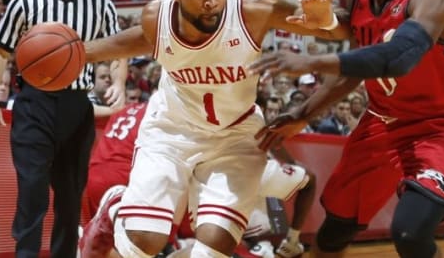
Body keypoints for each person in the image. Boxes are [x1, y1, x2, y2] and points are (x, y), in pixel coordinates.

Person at [80, 0, 346, 258]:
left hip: (234, 135)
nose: (212, 1)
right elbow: (131, 42)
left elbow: (345, 31)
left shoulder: (254, 11)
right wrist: (79, 53)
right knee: (144, 243)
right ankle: (113, 210)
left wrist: (326, 21)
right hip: (172, 130)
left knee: (214, 247)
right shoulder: (157, 16)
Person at [248, 0, 444, 258]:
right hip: (382, 124)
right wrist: (303, 113)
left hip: (439, 126)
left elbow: (398, 57)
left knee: (409, 233)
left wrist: (312, 62)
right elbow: (356, 62)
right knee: (333, 232)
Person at [0, 0, 127, 258]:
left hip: (77, 105)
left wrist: (118, 82)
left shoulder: (100, 5)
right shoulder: (25, 2)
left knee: (70, 197)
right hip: (34, 103)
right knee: (32, 190)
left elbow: (119, 51)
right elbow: (0, 52)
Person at [83, 101, 314, 258]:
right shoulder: (184, 118)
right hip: (129, 179)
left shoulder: (136, 108)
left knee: (131, 248)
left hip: (95, 176)